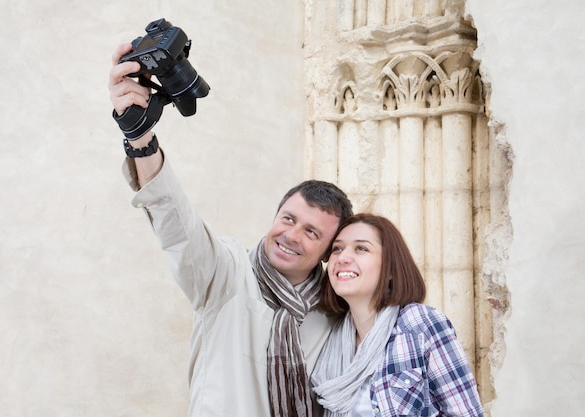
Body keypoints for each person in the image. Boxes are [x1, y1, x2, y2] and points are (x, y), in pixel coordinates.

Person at [108, 42, 354, 417]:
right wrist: (140, 138)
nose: (291, 235)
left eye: (311, 232)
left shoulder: (336, 314)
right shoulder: (227, 273)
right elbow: (177, 223)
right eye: (288, 219)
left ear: (328, 251)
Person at [311, 214, 484, 417]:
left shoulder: (419, 324)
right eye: (337, 249)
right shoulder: (329, 337)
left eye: (361, 248)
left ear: (390, 268)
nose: (343, 258)